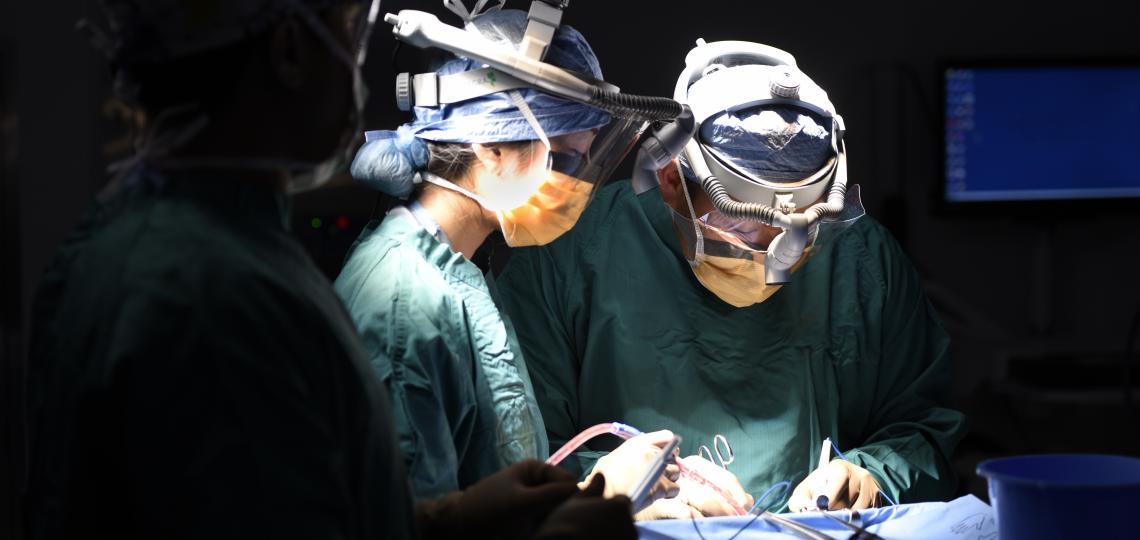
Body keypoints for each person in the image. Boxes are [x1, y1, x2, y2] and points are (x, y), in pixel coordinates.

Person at [25, 1, 633, 538]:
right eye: (344, 30)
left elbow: (312, 507)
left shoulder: (198, 248)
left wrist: (451, 521)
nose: (354, 65)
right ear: (290, 49)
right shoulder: (203, 285)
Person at [495, 40, 967, 516]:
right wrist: (607, 492)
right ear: (672, 181)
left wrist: (873, 476)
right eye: (740, 231)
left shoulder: (862, 260)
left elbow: (922, 427)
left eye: (800, 234)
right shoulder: (572, 254)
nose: (772, 261)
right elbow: (515, 455)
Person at [336, 5, 692, 514]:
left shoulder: (459, 269)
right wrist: (594, 494)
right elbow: (410, 524)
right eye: (566, 158)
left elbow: (493, 482)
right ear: (490, 147)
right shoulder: (403, 300)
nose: (576, 184)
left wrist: (601, 494)